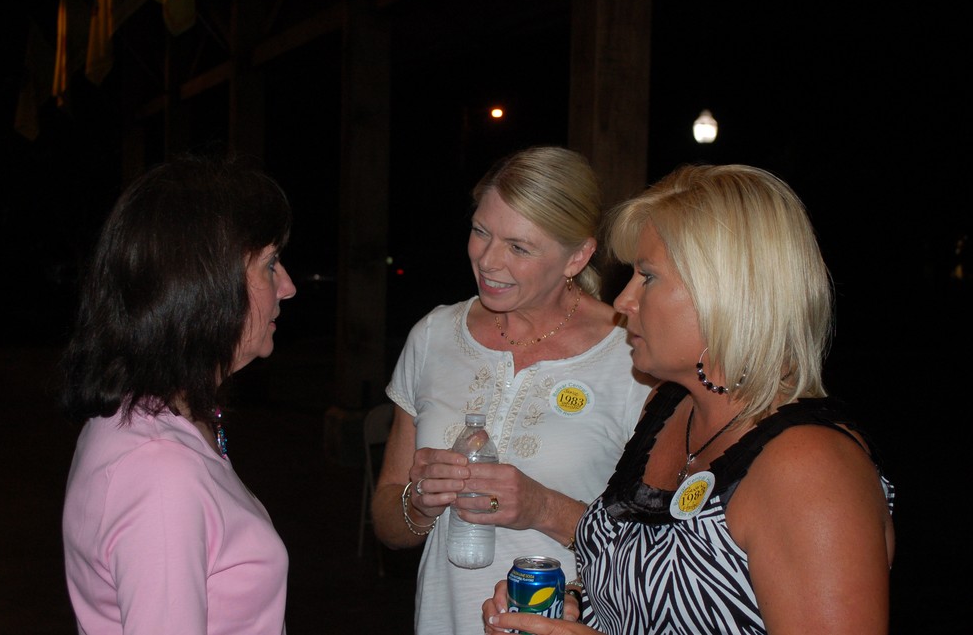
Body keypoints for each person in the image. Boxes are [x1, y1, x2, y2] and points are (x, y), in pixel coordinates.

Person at [483, 163, 896, 634]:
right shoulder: (667, 410)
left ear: (725, 293)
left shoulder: (810, 467)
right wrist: (571, 604)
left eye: (647, 277)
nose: (623, 301)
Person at [372, 145, 652, 635]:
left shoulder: (635, 355)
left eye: (519, 247)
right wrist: (418, 502)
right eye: (481, 231)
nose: (487, 260)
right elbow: (388, 525)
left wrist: (543, 508)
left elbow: (661, 548)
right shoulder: (434, 335)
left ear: (577, 256)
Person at [59, 154, 297, 634]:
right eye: (270, 264)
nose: (288, 287)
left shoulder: (147, 411)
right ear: (205, 287)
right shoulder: (160, 472)